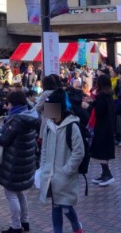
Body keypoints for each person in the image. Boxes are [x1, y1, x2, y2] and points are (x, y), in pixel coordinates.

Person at [38, 88, 85, 233]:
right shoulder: (48, 126)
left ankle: (76, 226)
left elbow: (79, 152)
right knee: (56, 206)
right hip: (51, 174)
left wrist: (67, 170)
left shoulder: (72, 126)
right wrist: (43, 167)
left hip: (64, 176)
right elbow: (44, 149)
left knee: (65, 206)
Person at [0, 90, 38, 233]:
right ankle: (25, 221)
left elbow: (5, 139)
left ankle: (15, 226)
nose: (7, 106)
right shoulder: (30, 115)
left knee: (11, 193)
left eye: (9, 103)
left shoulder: (17, 120)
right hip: (25, 161)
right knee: (19, 192)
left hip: (14, 162)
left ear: (14, 104)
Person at [89, 74, 117, 186]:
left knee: (101, 152)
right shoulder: (109, 95)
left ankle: (107, 174)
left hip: (102, 127)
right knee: (102, 152)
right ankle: (105, 173)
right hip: (108, 127)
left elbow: (99, 111)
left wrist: (91, 104)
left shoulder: (102, 96)